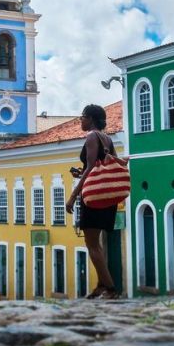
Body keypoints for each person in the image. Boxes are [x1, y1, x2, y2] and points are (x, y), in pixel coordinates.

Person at [66, 104, 120, 299]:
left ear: (91, 118)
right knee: (96, 244)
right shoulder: (108, 139)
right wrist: (81, 172)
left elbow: (90, 168)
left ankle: (111, 289)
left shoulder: (91, 137)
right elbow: (103, 166)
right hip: (105, 196)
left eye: (82, 117)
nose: (80, 120)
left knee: (92, 244)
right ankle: (100, 285)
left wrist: (73, 196)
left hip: (93, 198)